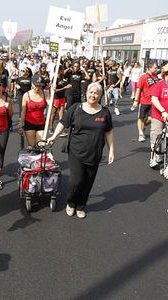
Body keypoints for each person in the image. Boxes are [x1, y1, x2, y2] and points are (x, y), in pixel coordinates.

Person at [47, 82, 114, 218]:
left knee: (88, 182)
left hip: (95, 152)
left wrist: (111, 150)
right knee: (76, 181)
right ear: (86, 93)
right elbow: (63, 123)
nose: (93, 95)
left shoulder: (105, 112)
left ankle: (81, 205)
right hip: (76, 150)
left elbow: (109, 132)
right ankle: (71, 203)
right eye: (91, 92)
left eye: (96, 93)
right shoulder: (76, 108)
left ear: (100, 95)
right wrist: (54, 137)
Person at [132, 61, 159, 142]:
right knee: (141, 118)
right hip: (144, 101)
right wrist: (136, 100)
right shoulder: (143, 77)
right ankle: (140, 134)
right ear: (150, 68)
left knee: (151, 119)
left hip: (153, 102)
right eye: (155, 68)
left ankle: (143, 127)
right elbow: (139, 89)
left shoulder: (156, 76)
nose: (156, 69)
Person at [18, 74, 47, 147]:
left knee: (41, 145)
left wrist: (53, 90)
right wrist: (21, 125)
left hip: (41, 122)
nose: (38, 88)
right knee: (32, 146)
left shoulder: (45, 93)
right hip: (29, 122)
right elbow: (23, 112)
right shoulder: (26, 95)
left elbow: (50, 102)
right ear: (32, 84)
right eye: (36, 85)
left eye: (40, 86)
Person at [49, 66, 72, 135]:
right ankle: (51, 127)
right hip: (56, 98)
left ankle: (61, 130)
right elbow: (54, 90)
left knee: (61, 115)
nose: (63, 71)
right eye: (62, 70)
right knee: (53, 114)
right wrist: (65, 87)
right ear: (58, 71)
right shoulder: (55, 79)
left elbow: (64, 83)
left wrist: (67, 85)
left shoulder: (62, 77)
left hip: (62, 97)